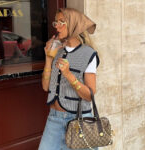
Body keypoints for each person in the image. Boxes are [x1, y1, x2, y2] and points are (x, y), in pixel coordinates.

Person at [38, 8, 100, 150]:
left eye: (62, 22)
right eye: (56, 22)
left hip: (79, 121)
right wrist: (48, 58)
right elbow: (46, 87)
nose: (57, 26)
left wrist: (69, 75)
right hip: (54, 119)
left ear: (74, 25)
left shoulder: (88, 54)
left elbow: (89, 95)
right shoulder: (57, 51)